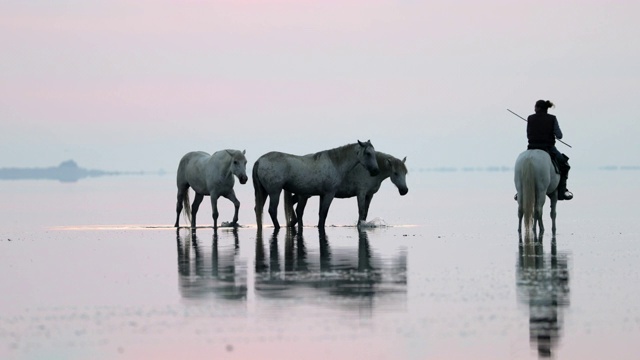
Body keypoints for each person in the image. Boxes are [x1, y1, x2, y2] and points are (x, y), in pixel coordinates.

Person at [516, 100, 573, 200]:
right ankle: (563, 191)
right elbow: (559, 136)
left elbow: (528, 134)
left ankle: (519, 192)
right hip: (548, 148)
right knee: (565, 165)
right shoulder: (552, 119)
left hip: (532, 147)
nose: (534, 108)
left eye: (535, 107)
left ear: (538, 108)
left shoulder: (530, 118)